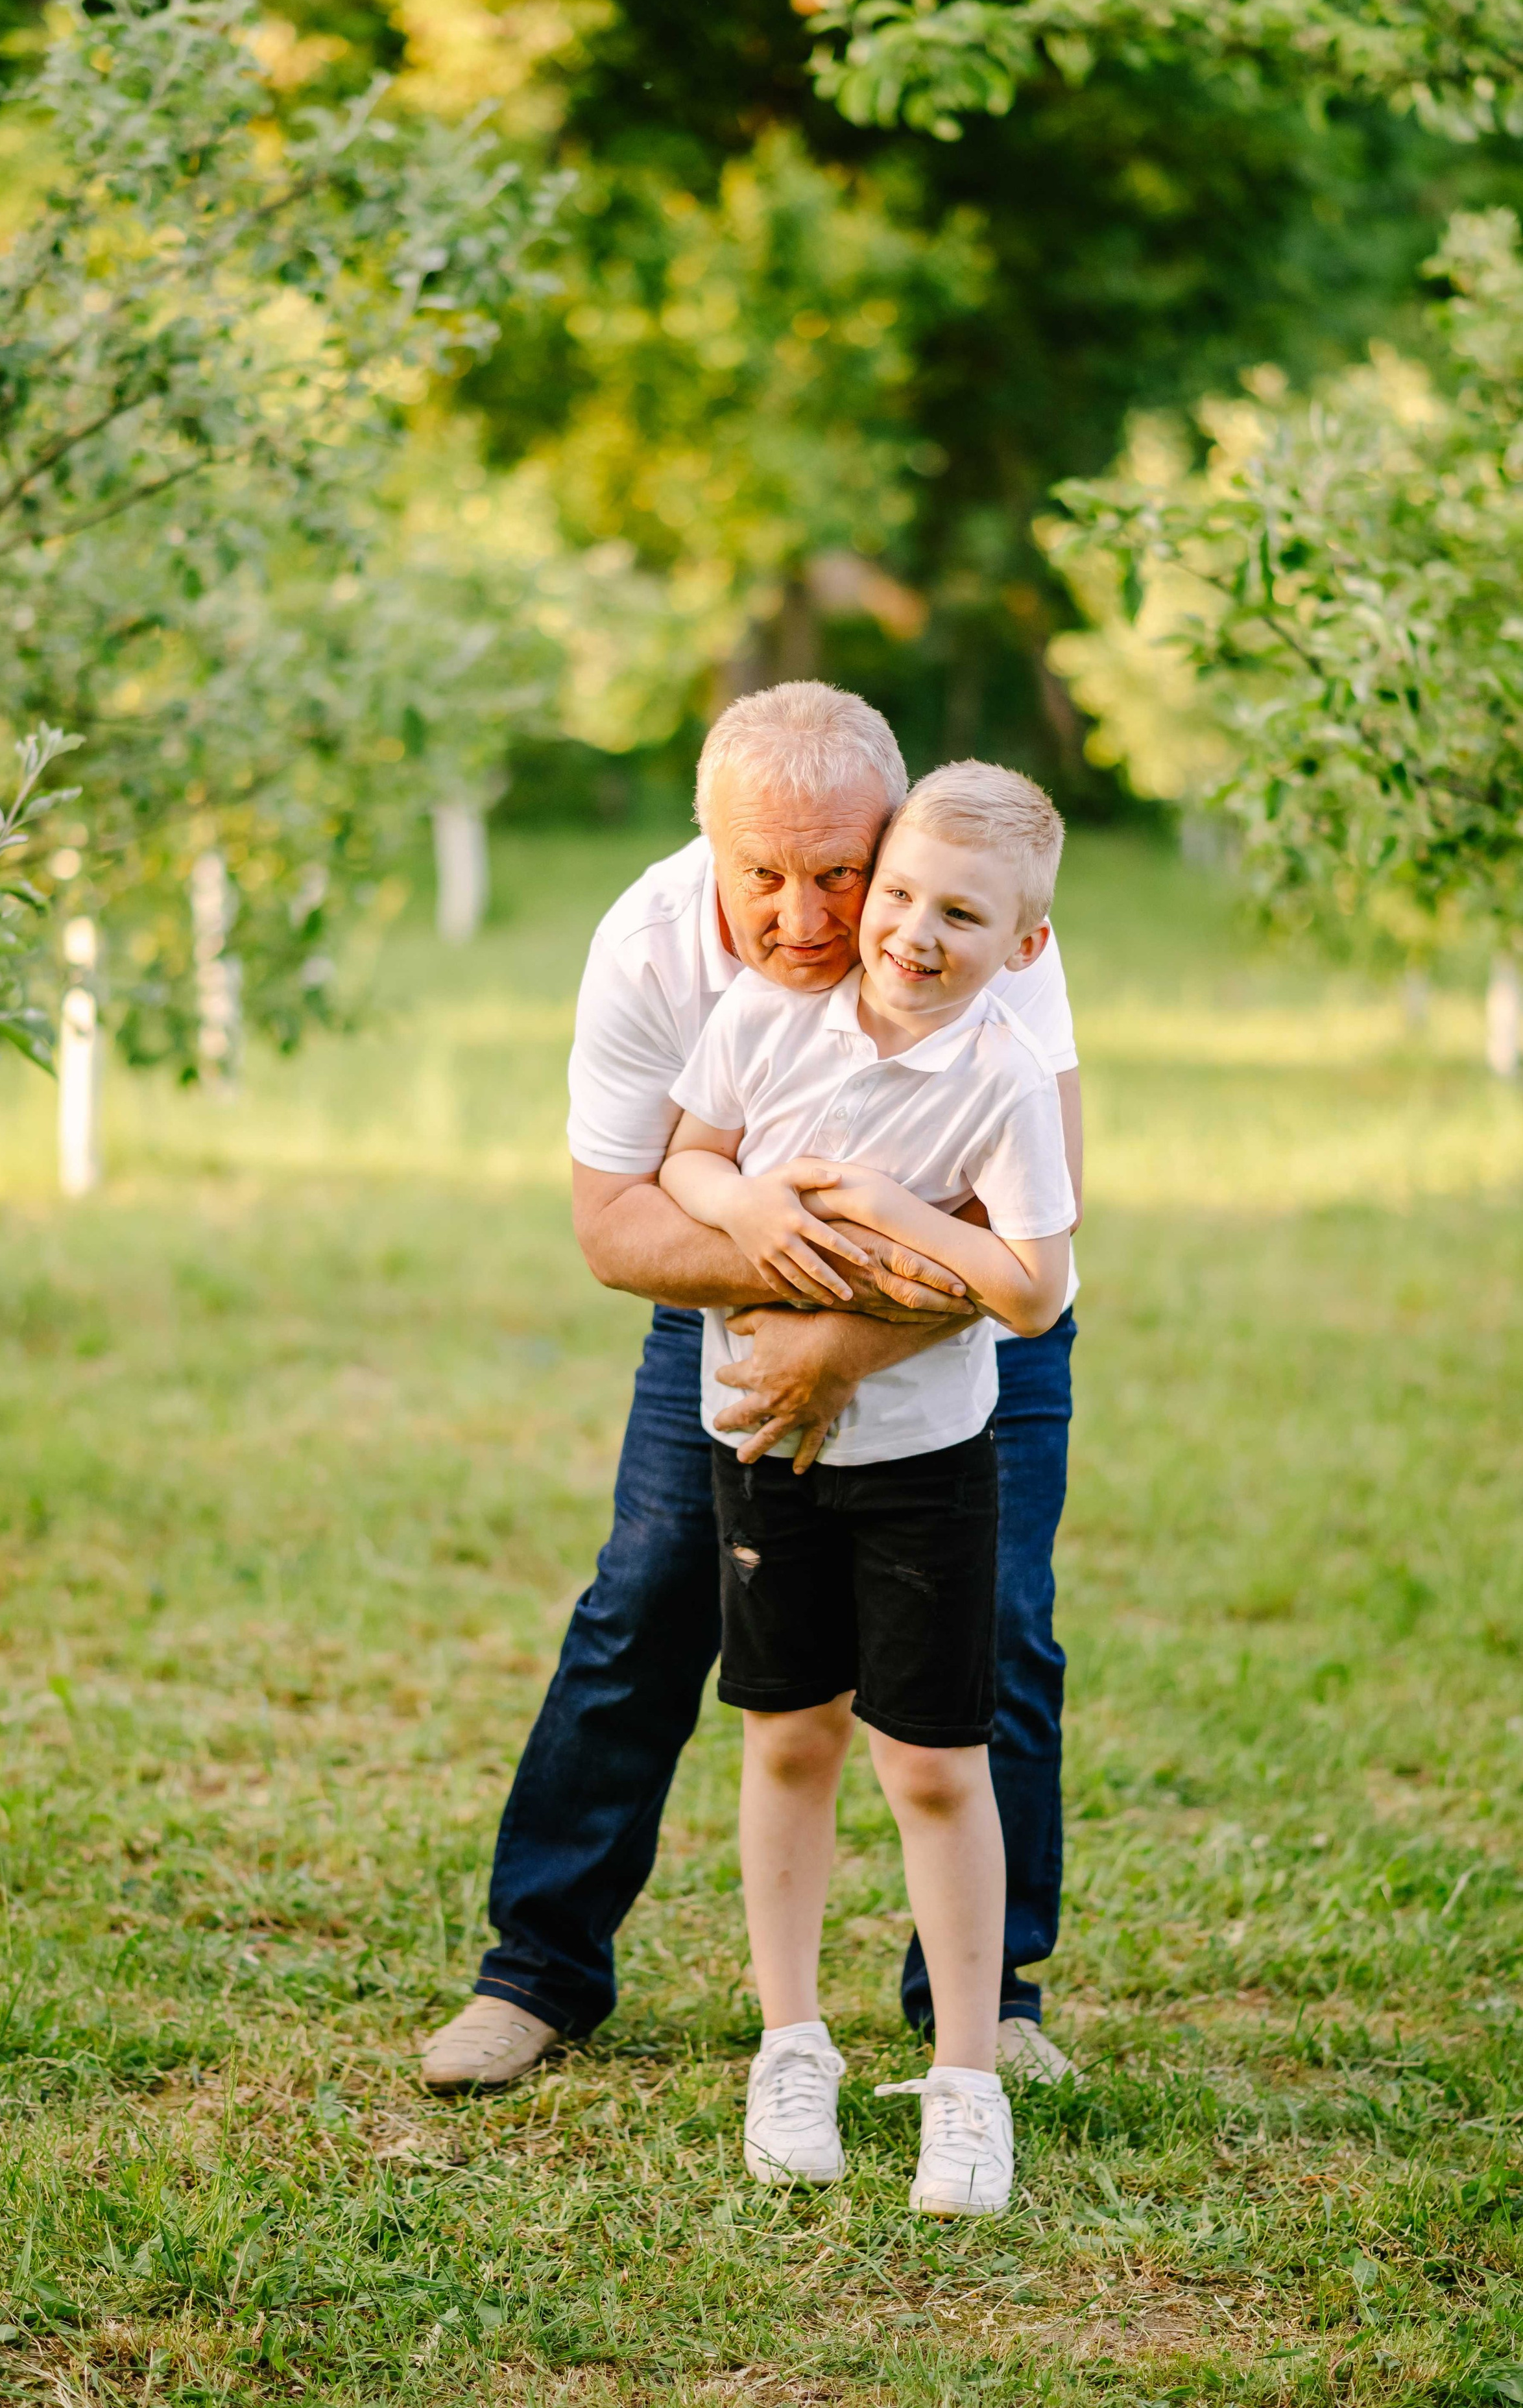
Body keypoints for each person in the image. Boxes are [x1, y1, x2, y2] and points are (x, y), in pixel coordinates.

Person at [420, 682, 1084, 2093]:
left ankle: (987, 2004)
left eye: (840, 872)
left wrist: (841, 1339)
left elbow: (1036, 1234)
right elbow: (616, 1228)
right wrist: (759, 1253)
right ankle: (535, 1972)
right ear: (703, 846)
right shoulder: (648, 948)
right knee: (648, 1594)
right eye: (759, 875)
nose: (803, 914)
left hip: (959, 1335)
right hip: (725, 1316)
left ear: (892, 840)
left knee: (999, 1628)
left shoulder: (971, 909)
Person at [659, 757, 1073, 2213]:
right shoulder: (764, 1021)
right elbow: (688, 1158)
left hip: (924, 1467)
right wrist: (748, 1208)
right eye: (896, 892)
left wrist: (904, 1216)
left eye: (961, 914)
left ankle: (965, 2079)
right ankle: (791, 2046)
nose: (909, 931)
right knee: (785, 1742)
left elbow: (1031, 1291)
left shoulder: (1001, 1082)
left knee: (930, 1764)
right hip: (761, 1451)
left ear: (1022, 947)